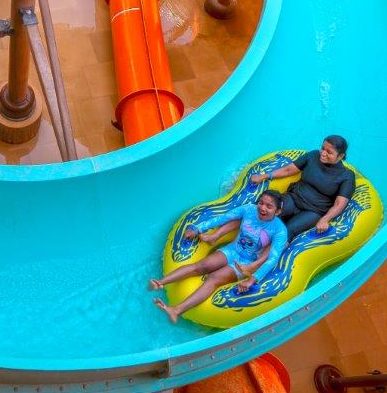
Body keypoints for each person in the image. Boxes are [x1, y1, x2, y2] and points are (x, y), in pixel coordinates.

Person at [148, 190, 288, 324]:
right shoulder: (249, 209)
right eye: (261, 203)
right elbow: (224, 217)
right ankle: (160, 282)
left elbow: (272, 259)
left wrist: (252, 279)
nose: (262, 208)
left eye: (269, 206)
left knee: (213, 278)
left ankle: (176, 310)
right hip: (232, 250)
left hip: (246, 263)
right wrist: (198, 229)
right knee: (201, 266)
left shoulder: (279, 230)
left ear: (277, 212)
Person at [252, 135, 354, 240]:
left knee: (289, 229)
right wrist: (264, 176)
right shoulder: (313, 156)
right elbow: (289, 170)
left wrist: (325, 219)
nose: (323, 153)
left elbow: (339, 204)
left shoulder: (347, 175)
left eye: (329, 152)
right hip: (294, 197)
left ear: (341, 156)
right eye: (323, 148)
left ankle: (265, 255)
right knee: (265, 209)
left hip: (314, 211)